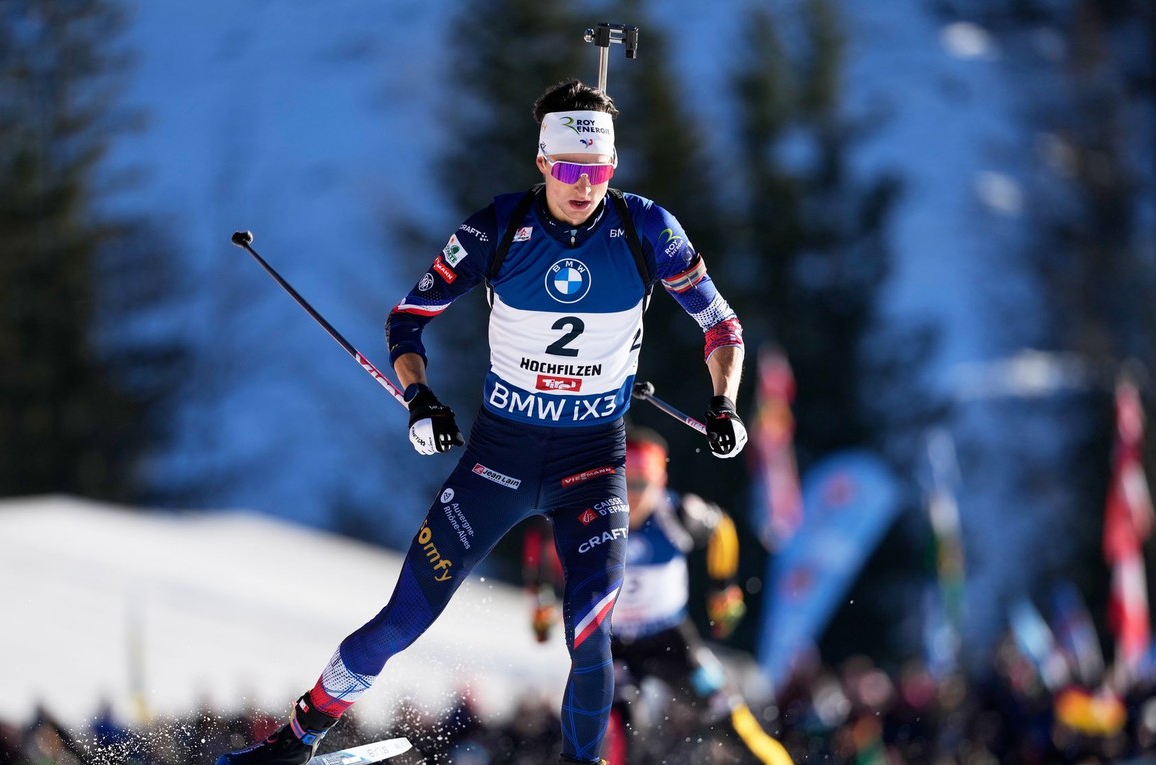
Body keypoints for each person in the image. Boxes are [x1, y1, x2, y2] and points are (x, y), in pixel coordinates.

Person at [217, 77, 748, 765]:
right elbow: (408, 319)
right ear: (542, 162)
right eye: (567, 170)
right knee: (403, 617)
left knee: (591, 634)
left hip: (592, 464)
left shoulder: (646, 229)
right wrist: (420, 398)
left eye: (596, 170)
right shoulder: (496, 228)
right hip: (500, 459)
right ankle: (296, 737)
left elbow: (720, 324)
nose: (582, 186)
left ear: (613, 166)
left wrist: (724, 404)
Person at [525, 427, 791, 765]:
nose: (633, 496)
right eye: (625, 483)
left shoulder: (677, 515)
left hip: (670, 639)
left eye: (643, 485)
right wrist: (540, 600)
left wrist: (724, 589)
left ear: (660, 482)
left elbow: (721, 528)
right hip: (612, 643)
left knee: (731, 719)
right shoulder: (590, 513)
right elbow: (539, 536)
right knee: (616, 727)